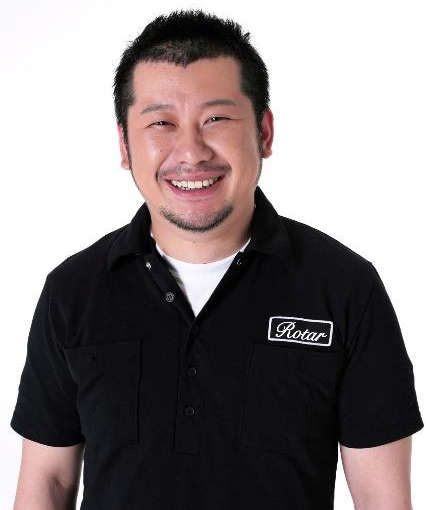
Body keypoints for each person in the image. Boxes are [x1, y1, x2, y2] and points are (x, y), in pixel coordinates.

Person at [10, 9, 423, 510]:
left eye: (216, 119)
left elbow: (383, 501)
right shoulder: (73, 291)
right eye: (161, 123)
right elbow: (48, 483)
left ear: (264, 132)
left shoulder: (344, 287)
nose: (191, 151)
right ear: (125, 144)